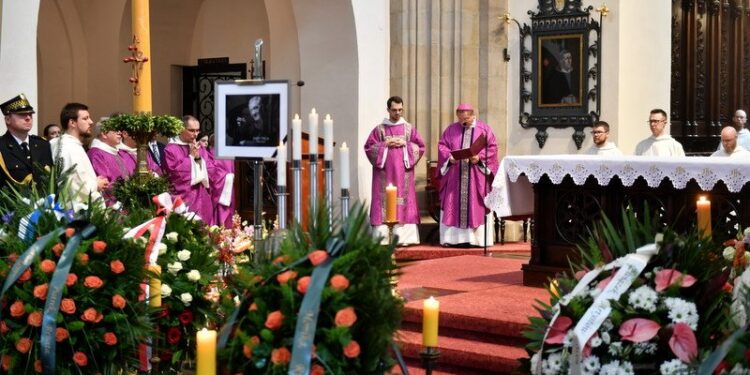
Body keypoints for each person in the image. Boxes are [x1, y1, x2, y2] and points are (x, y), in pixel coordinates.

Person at [364, 96, 425, 245]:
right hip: (384, 173)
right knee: (383, 199)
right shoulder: (379, 129)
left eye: (400, 110)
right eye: (394, 110)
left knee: (404, 200)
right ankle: (383, 239)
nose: (397, 113)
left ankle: (405, 238)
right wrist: (385, 144)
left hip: (404, 173)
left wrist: (405, 144)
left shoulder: (409, 129)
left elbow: (420, 147)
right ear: (388, 110)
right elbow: (369, 148)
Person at [437, 103, 499, 247]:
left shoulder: (484, 129)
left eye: (467, 118)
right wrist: (450, 157)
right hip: (455, 176)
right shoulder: (451, 129)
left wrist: (479, 158)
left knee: (476, 203)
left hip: (476, 175)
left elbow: (493, 148)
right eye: (461, 119)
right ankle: (453, 240)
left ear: (472, 114)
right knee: (453, 203)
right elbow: (442, 146)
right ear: (457, 115)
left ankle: (476, 240)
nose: (463, 122)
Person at [50, 102, 107, 202]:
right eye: (85, 118)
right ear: (72, 123)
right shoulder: (69, 147)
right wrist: (96, 184)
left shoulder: (70, 144)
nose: (91, 122)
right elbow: (71, 183)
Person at [163, 115, 213, 223]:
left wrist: (199, 159)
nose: (195, 134)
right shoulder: (170, 149)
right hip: (184, 199)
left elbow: (211, 169)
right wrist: (190, 157)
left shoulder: (201, 148)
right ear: (181, 129)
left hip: (203, 197)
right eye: (191, 130)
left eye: (197, 131)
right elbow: (175, 175)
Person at [0, 94, 53, 188]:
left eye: (30, 114)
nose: (28, 118)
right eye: (22, 114)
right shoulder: (2, 146)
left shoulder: (42, 144)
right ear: (8, 119)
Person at [87, 121, 131, 203]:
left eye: (119, 130)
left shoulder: (114, 151)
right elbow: (104, 182)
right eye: (115, 130)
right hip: (111, 204)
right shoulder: (96, 153)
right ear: (104, 134)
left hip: (124, 201)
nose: (119, 133)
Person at [203, 132, 235, 227]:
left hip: (220, 190)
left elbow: (212, 172)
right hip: (229, 188)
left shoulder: (210, 154)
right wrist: (229, 178)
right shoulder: (227, 154)